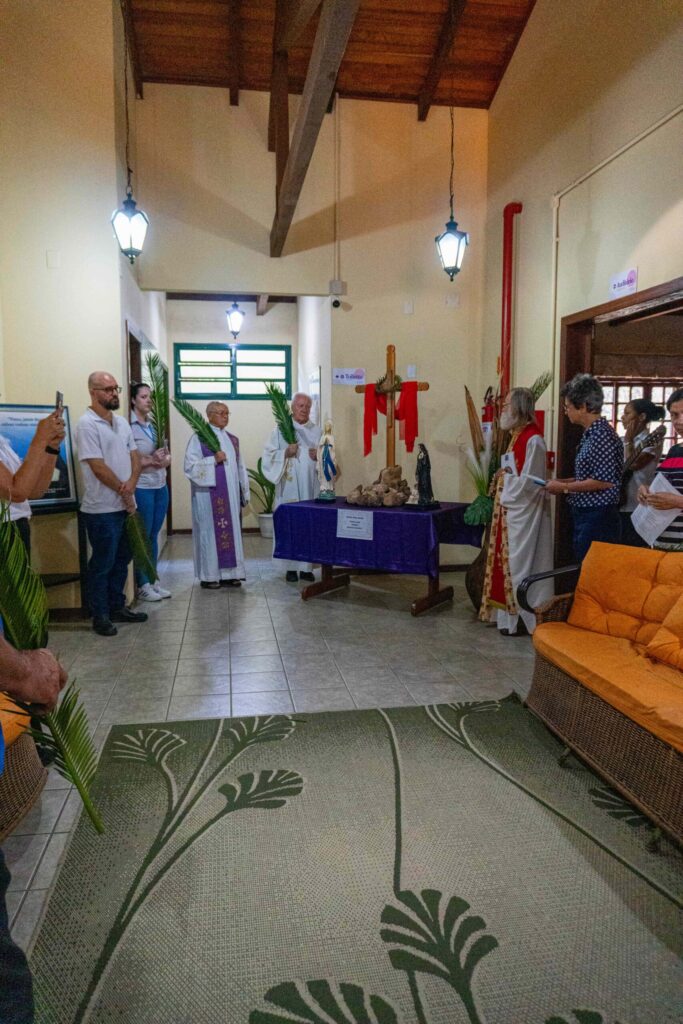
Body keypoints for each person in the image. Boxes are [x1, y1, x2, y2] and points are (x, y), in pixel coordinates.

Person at [75, 372, 148, 636]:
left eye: (115, 388)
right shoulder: (87, 424)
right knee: (102, 563)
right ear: (92, 392)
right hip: (101, 509)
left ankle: (118, 607)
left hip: (125, 505)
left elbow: (135, 456)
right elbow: (97, 466)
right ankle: (101, 615)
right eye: (107, 389)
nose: (114, 393)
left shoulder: (121, 422)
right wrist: (123, 489)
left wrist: (132, 484)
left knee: (122, 559)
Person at [480, 387, 553, 635]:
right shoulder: (515, 437)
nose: (502, 408)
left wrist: (504, 480)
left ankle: (524, 619)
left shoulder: (533, 440)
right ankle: (508, 620)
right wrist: (505, 476)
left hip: (525, 516)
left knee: (520, 566)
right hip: (512, 513)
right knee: (509, 565)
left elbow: (531, 483)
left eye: (507, 404)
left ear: (520, 407)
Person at [546, 374, 624, 562]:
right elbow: (588, 475)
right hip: (587, 513)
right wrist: (561, 482)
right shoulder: (591, 434)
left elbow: (604, 481)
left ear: (582, 407)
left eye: (568, 407)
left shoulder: (602, 435)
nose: (566, 412)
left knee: (594, 567)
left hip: (599, 515)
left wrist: (564, 488)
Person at [183, 401, 249, 589]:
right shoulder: (199, 438)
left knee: (231, 532)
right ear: (209, 415)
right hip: (208, 497)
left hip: (230, 497)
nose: (225, 416)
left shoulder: (232, 440)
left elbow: (240, 467)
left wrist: (243, 490)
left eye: (227, 413)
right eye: (221, 413)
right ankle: (209, 576)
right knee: (210, 533)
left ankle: (230, 574)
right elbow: (189, 467)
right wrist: (213, 460)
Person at [262, 392, 320, 582]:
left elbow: (328, 456)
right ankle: (290, 568)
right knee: (289, 524)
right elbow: (268, 456)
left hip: (310, 487)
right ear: (292, 408)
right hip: (288, 487)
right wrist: (285, 452)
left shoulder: (317, 431)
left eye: (307, 406)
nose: (304, 409)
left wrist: (319, 456)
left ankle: (306, 568)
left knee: (308, 525)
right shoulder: (279, 430)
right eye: (300, 406)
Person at [0, 412, 65, 557]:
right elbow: (16, 493)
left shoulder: (2, 441)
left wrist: (51, 446)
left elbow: (34, 491)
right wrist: (41, 438)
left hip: (17, 526)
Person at [129, 382, 172, 601]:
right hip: (142, 486)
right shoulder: (129, 426)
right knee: (143, 536)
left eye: (150, 397)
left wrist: (164, 460)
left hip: (160, 484)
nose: (148, 401)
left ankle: (153, 580)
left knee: (153, 534)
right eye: (143, 397)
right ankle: (143, 583)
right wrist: (150, 460)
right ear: (133, 400)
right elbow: (130, 459)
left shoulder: (154, 425)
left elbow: (166, 454)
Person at [637, 387, 683, 550]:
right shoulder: (674, 451)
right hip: (661, 542)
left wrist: (678, 502)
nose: (679, 421)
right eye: (674, 415)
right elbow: (666, 486)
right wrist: (646, 491)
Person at [619, 398, 665, 547]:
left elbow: (634, 464)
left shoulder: (651, 440)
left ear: (642, 417)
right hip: (620, 501)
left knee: (636, 548)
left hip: (638, 504)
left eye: (627, 413)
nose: (622, 417)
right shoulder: (621, 440)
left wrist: (628, 441)